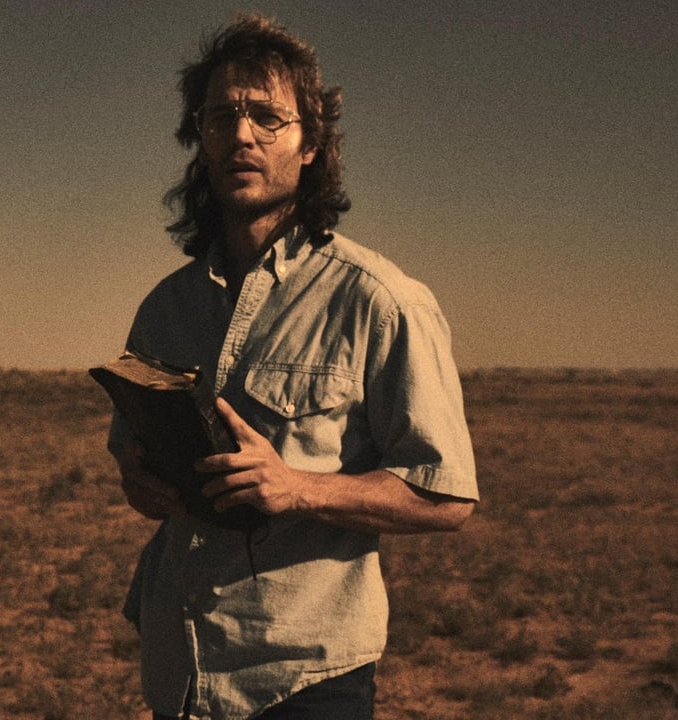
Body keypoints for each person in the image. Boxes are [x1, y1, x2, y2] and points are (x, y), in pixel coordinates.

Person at [107, 14, 480, 720]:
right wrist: (142, 482)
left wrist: (297, 488)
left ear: (311, 145)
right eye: (221, 117)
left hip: (304, 679)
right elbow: (134, 460)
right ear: (200, 140)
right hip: (181, 669)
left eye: (267, 117)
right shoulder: (165, 308)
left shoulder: (380, 301)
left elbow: (447, 495)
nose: (242, 135)